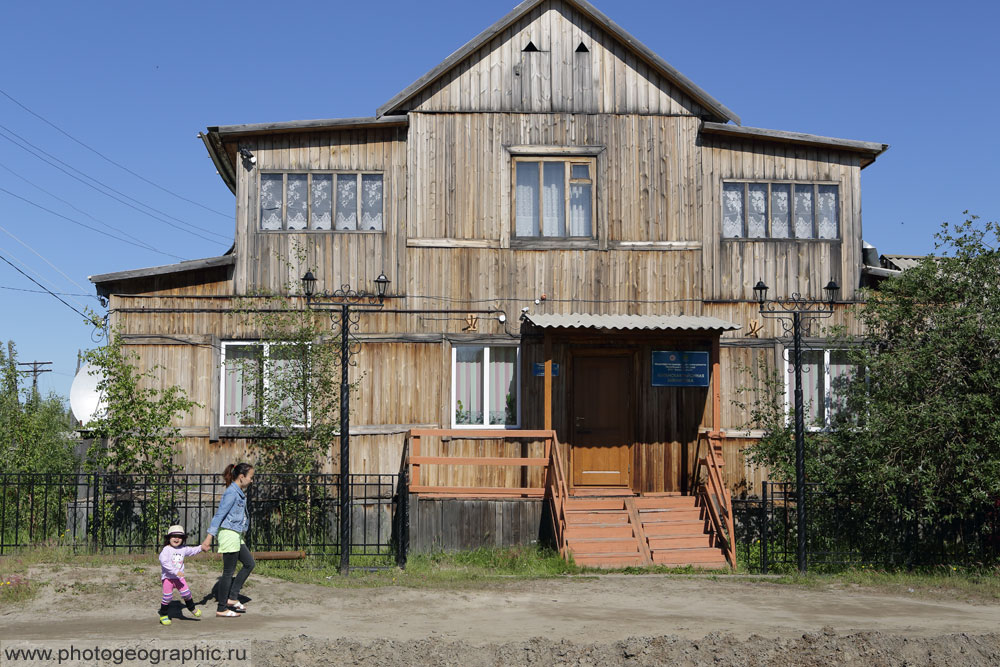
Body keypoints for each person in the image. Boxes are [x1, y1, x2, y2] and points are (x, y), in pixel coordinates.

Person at [202, 462, 255, 618]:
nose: (251, 481)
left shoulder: (238, 492)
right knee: (228, 572)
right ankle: (222, 607)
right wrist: (208, 538)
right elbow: (219, 515)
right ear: (241, 476)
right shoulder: (231, 493)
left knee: (249, 563)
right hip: (229, 534)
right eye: (250, 477)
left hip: (236, 534)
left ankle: (232, 597)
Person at [158, 524, 208, 626]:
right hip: (168, 578)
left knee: (186, 594)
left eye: (179, 537)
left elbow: (192, 551)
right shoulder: (166, 550)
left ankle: (192, 608)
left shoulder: (183, 549)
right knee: (167, 597)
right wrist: (175, 571)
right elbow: (164, 563)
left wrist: (201, 547)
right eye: (174, 536)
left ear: (183, 539)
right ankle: (163, 615)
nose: (177, 539)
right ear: (168, 538)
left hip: (179, 579)